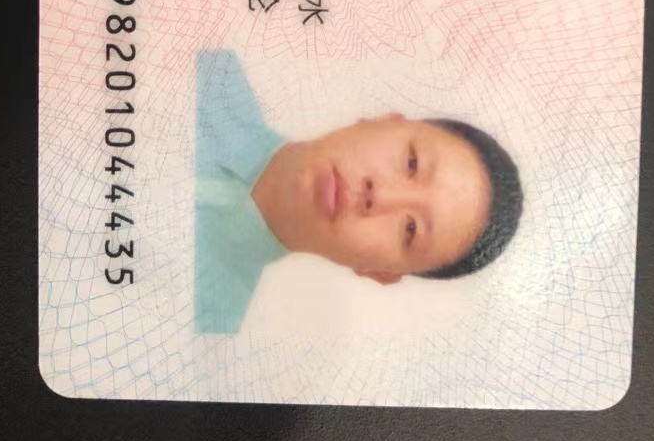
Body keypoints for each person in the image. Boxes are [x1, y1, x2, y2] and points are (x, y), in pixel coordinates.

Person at [195, 49, 523, 334]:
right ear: (387, 120)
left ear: (380, 272)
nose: (379, 196)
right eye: (411, 162)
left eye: (410, 230)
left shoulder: (203, 322)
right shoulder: (206, 68)